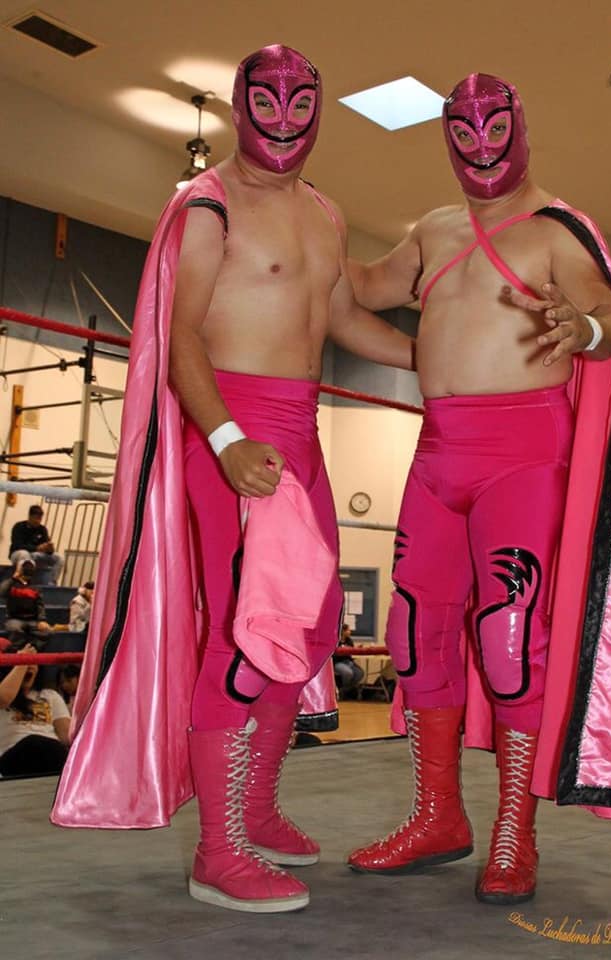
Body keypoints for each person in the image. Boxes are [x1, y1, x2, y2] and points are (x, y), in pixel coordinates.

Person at [52, 44, 414, 915]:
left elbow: (341, 314)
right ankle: (218, 852)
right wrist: (222, 439)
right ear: (239, 104)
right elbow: (180, 335)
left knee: (307, 629)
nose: (284, 120)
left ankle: (254, 809)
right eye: (268, 101)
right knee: (248, 633)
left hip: (299, 436)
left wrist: (442, 364)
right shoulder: (208, 204)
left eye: (301, 103)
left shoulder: (323, 210)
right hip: (234, 429)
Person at [346, 72, 611, 903]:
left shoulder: (557, 230)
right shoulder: (432, 230)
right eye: (461, 129)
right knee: (412, 634)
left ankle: (514, 831)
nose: (479, 144)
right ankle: (437, 815)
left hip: (525, 457)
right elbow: (361, 289)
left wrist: (587, 327)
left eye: (493, 126)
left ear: (520, 127)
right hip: (438, 453)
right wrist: (302, 233)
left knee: (508, 639)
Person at [0, 644, 70, 777]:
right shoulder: (5, 695)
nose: (29, 666)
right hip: (12, 756)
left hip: (51, 752)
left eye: (33, 663)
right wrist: (21, 662)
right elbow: (3, 698)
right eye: (25, 664)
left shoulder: (49, 695)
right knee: (34, 743)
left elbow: (67, 736)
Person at [0, 559, 52, 648]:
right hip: (14, 619)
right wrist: (13, 578)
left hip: (32, 620)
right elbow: (1, 591)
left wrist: (42, 620)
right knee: (16, 630)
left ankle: (32, 648)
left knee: (47, 631)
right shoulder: (11, 584)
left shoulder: (35, 588)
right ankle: (15, 652)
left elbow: (40, 605)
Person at [9, 505, 63, 586]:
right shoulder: (19, 526)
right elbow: (17, 545)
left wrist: (50, 549)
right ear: (30, 516)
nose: (38, 521)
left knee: (59, 558)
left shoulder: (42, 529)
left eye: (40, 519)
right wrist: (36, 548)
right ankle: (21, 577)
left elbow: (47, 548)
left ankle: (52, 582)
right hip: (18, 554)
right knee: (24, 554)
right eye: (36, 518)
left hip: (36, 555)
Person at [333, 623, 364, 699]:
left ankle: (346, 689)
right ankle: (342, 688)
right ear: (343, 631)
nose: (350, 632)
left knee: (360, 673)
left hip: (348, 661)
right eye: (348, 630)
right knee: (348, 673)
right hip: (338, 662)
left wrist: (357, 648)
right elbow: (334, 653)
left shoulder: (349, 640)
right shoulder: (336, 640)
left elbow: (352, 651)